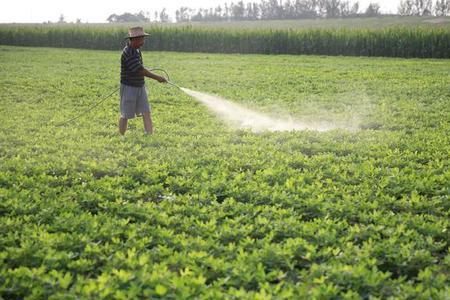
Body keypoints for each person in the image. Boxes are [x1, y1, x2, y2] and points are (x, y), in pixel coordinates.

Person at [119, 26, 167, 135]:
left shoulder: (137, 50)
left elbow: (140, 68)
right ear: (134, 39)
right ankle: (121, 136)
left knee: (146, 111)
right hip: (129, 87)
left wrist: (147, 71)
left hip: (140, 86)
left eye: (143, 39)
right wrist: (158, 78)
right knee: (125, 114)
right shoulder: (128, 52)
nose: (143, 42)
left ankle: (149, 135)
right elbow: (140, 71)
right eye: (141, 39)